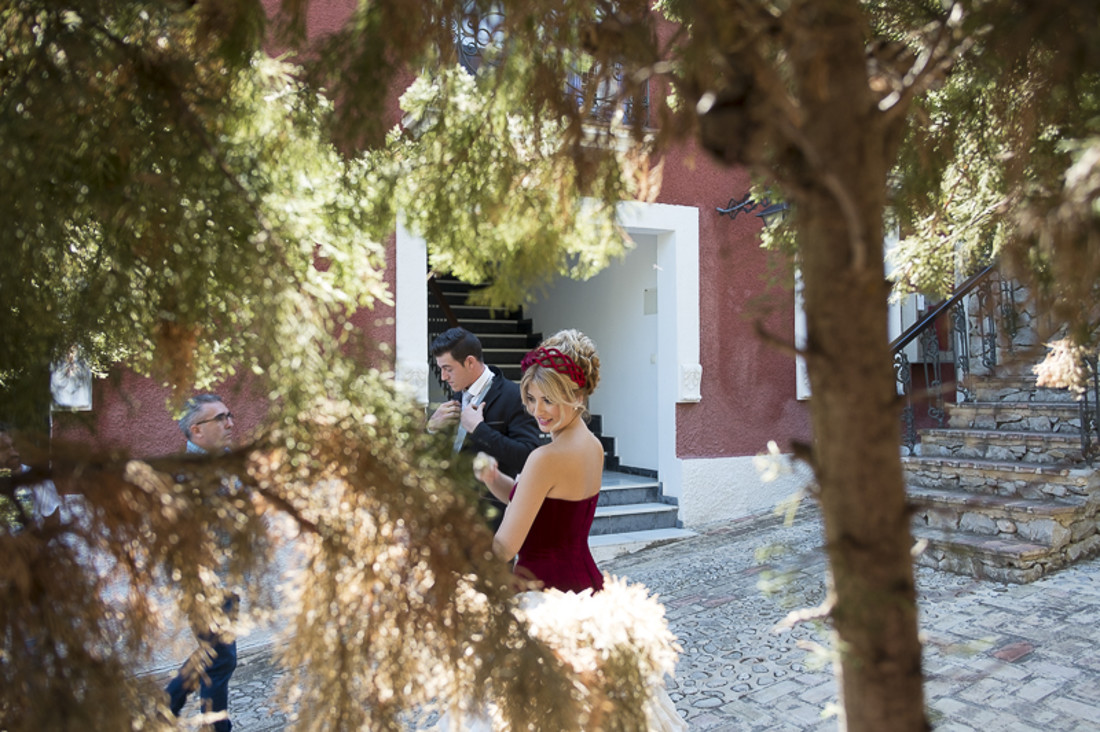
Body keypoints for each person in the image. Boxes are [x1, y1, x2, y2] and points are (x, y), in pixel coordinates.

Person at [473, 329, 605, 593]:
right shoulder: (594, 446)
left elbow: (504, 547)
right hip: (586, 583)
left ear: (577, 397)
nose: (537, 411)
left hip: (545, 590)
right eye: (532, 398)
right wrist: (494, 478)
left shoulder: (545, 458)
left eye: (549, 400)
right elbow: (545, 506)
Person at [164, 394, 239, 732]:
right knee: (222, 658)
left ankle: (165, 706)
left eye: (229, 416)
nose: (230, 424)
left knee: (215, 656)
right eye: (220, 418)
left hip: (227, 578)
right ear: (196, 430)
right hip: (201, 582)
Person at [427, 327, 541, 530]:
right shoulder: (456, 397)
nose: (443, 376)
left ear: (470, 362)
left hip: (492, 522)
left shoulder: (514, 396)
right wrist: (431, 428)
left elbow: (528, 457)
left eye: (448, 368)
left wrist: (479, 429)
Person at [0, 422, 61, 530]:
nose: (13, 452)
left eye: (14, 446)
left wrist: (38, 545)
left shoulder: (37, 479)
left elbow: (52, 520)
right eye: (4, 448)